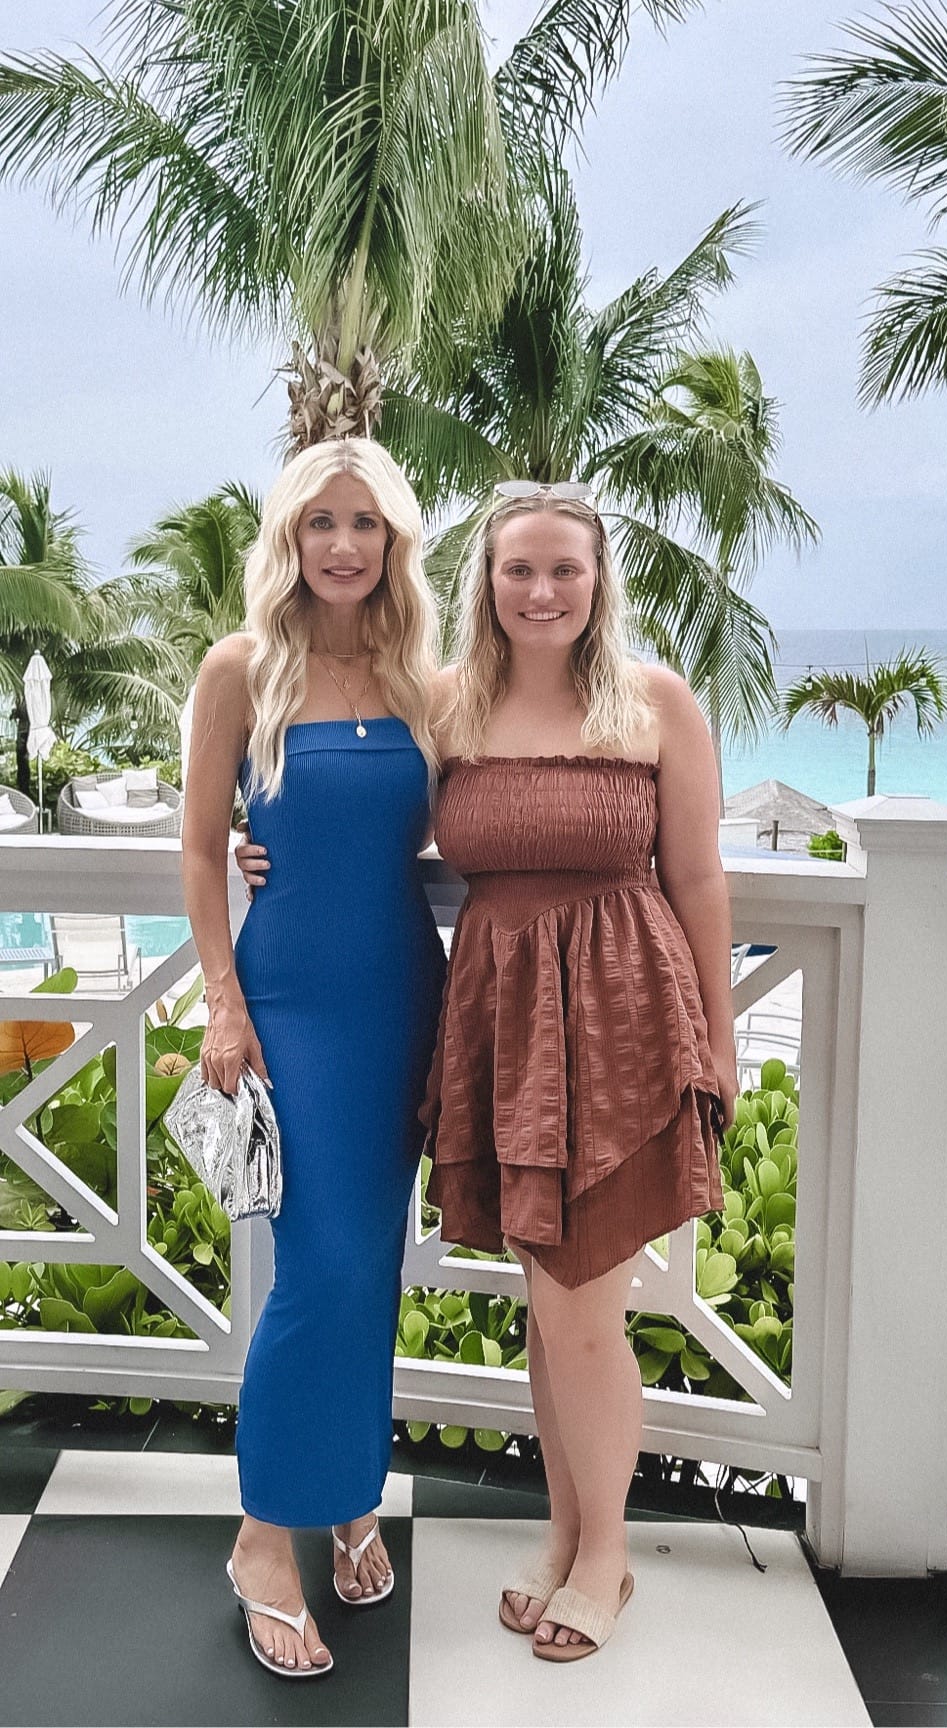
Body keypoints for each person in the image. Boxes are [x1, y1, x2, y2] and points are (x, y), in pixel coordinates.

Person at [237, 481, 737, 1662]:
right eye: (519, 569)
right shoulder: (448, 705)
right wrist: (256, 848)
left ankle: (604, 1559)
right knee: (546, 1306)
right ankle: (568, 1539)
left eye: (565, 569)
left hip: (622, 1019)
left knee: (581, 1316)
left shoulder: (657, 702)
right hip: (506, 1028)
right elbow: (366, 812)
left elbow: (704, 883)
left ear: (600, 578)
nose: (543, 590)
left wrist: (715, 1036)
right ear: (485, 582)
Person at [182, 436, 445, 1678]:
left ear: (395, 542)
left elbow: (477, 817)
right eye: (321, 521)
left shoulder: (421, 677)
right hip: (289, 1000)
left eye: (366, 523)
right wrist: (224, 1000)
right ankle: (261, 1539)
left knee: (372, 1266)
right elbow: (195, 852)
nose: (343, 543)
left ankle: (350, 1493)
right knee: (318, 1271)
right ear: (288, 537)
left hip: (404, 997)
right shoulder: (241, 670)